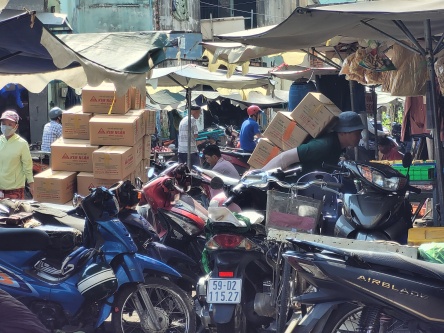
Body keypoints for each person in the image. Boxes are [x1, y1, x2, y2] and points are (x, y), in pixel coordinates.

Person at [262, 111, 365, 174]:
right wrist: (260, 174)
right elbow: (284, 157)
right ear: (343, 133)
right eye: (357, 133)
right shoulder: (324, 146)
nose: (360, 137)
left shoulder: (338, 147)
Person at [0, 110, 34, 199]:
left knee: (15, 213)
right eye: (3, 124)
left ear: (16, 126)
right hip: (0, 189)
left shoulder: (22, 144)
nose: (5, 127)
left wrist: (31, 184)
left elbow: (27, 165)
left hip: (15, 189)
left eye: (9, 124)